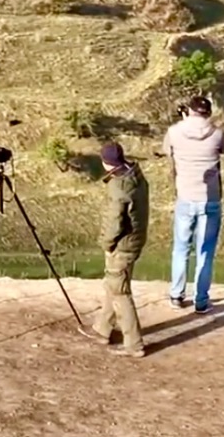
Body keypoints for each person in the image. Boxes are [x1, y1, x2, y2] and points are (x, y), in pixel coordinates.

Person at [162, 93, 224, 313]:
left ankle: (176, 295)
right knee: (205, 251)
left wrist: (184, 123)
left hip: (185, 196)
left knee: (181, 248)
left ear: (189, 111)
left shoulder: (174, 132)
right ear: (208, 113)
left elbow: (167, 150)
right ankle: (201, 301)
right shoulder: (217, 134)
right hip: (210, 199)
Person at [80, 142, 149, 358]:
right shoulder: (135, 175)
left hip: (122, 245)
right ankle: (102, 330)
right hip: (135, 240)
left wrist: (106, 243)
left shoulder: (119, 187)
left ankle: (134, 344)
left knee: (121, 292)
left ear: (105, 162)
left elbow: (115, 221)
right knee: (114, 284)